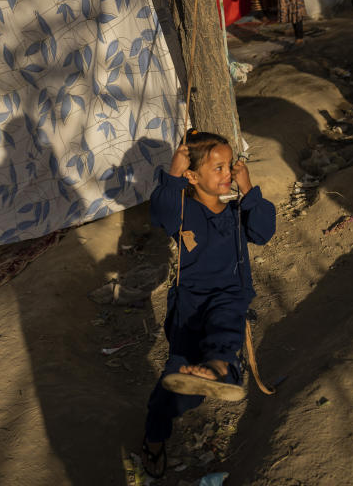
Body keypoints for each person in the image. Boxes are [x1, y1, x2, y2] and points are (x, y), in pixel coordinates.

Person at [141, 131, 276, 478]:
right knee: (174, 382)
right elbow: (159, 211)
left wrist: (249, 191)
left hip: (229, 297)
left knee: (225, 327)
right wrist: (173, 173)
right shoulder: (182, 213)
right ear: (192, 175)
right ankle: (155, 439)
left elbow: (263, 231)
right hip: (188, 307)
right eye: (217, 168)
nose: (227, 173)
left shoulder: (236, 212)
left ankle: (219, 367)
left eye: (229, 166)